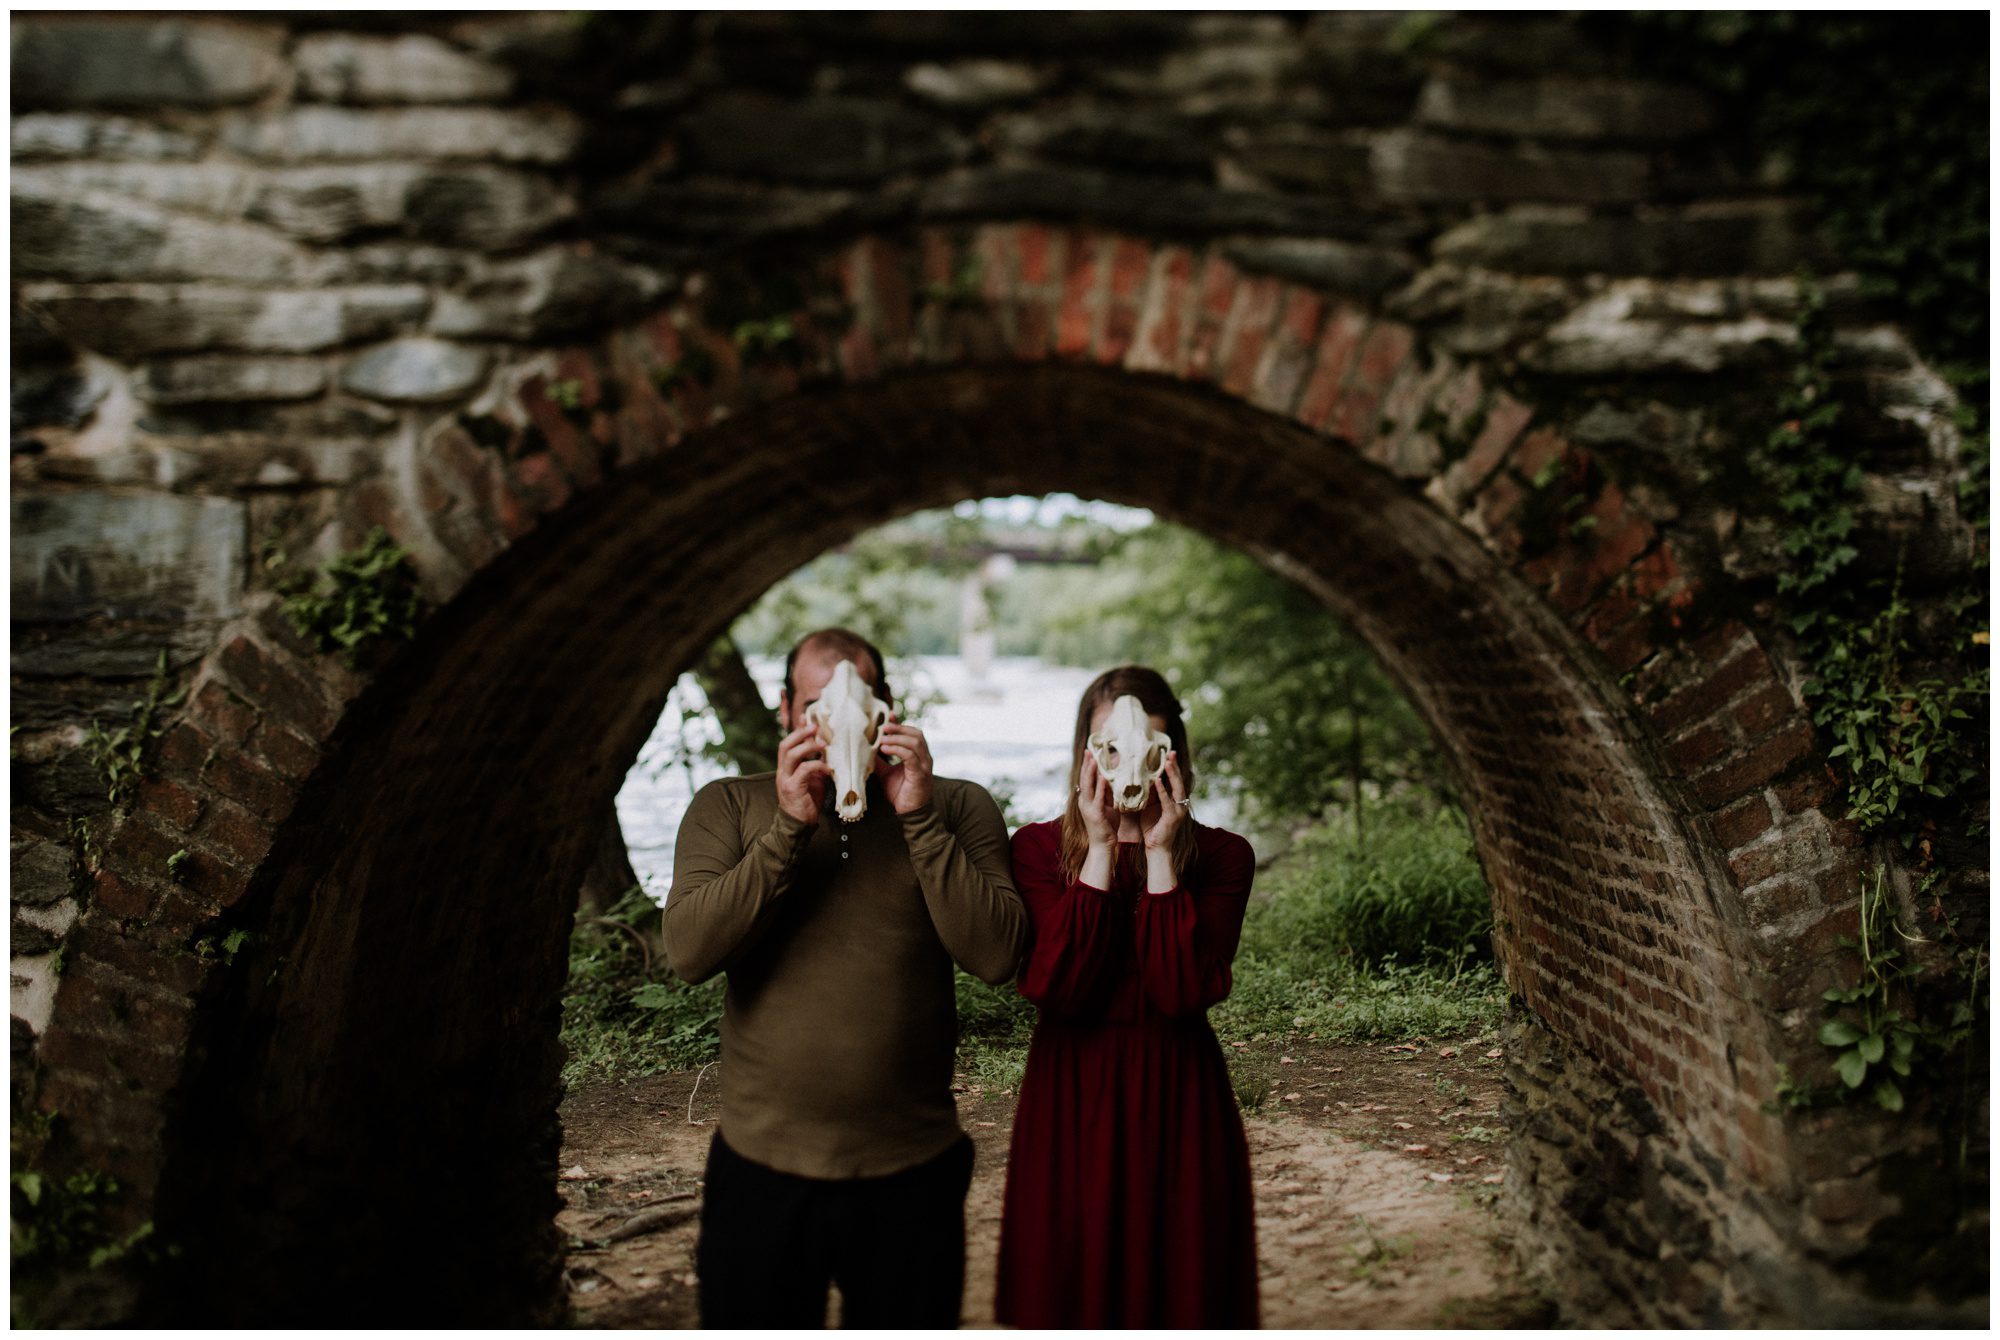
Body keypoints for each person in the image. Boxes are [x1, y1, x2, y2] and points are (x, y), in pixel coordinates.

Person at [663, 628, 1027, 1328]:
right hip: (761, 1164)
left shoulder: (956, 806)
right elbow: (689, 953)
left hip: (912, 1165)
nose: (836, 724)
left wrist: (918, 817)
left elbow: (996, 957)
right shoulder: (730, 805)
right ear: (786, 711)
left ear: (887, 708)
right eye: (815, 705)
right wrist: (787, 829)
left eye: (856, 704)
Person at [995, 665, 1260, 1328]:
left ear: (1174, 755)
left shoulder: (1224, 857)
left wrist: (1164, 856)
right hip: (1072, 1087)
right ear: (1086, 753)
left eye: (1150, 746)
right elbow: (1060, 988)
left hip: (1178, 1090)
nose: (1128, 765)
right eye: (1109, 748)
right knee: (1068, 1276)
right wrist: (1102, 848)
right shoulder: (1034, 849)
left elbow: (1181, 992)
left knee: (1182, 1280)